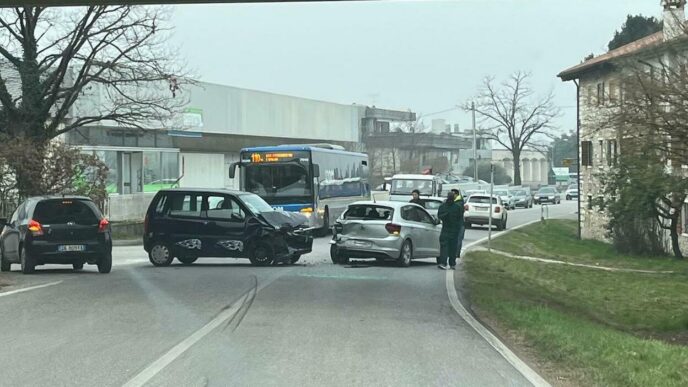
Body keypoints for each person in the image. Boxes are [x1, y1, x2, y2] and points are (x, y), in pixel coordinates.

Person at [437, 191, 462, 270]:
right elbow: (460, 219)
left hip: (446, 229)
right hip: (453, 229)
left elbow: (439, 216)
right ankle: (452, 263)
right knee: (452, 247)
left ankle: (443, 263)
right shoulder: (457, 207)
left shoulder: (443, 206)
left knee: (444, 246)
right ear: (454, 197)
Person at [451, 189, 466, 260]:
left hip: (459, 224)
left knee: (458, 239)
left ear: (456, 195)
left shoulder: (459, 203)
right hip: (457, 223)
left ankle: (456, 254)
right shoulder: (457, 202)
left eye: (452, 194)